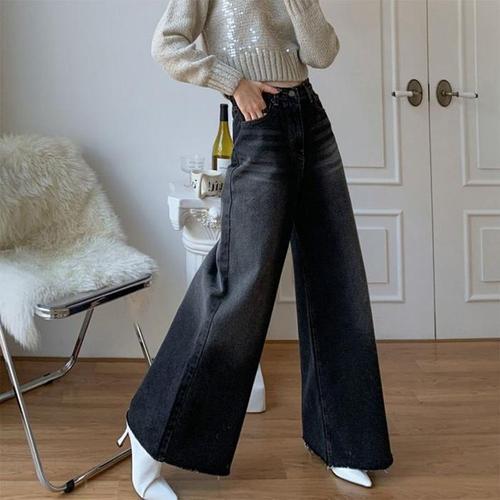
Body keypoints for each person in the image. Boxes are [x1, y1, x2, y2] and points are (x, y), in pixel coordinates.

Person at [117, 1, 394, 498]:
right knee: (239, 284)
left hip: (310, 115)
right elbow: (167, 45)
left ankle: (342, 442)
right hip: (259, 122)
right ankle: (149, 431)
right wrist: (233, 82)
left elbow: (323, 53)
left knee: (337, 276)